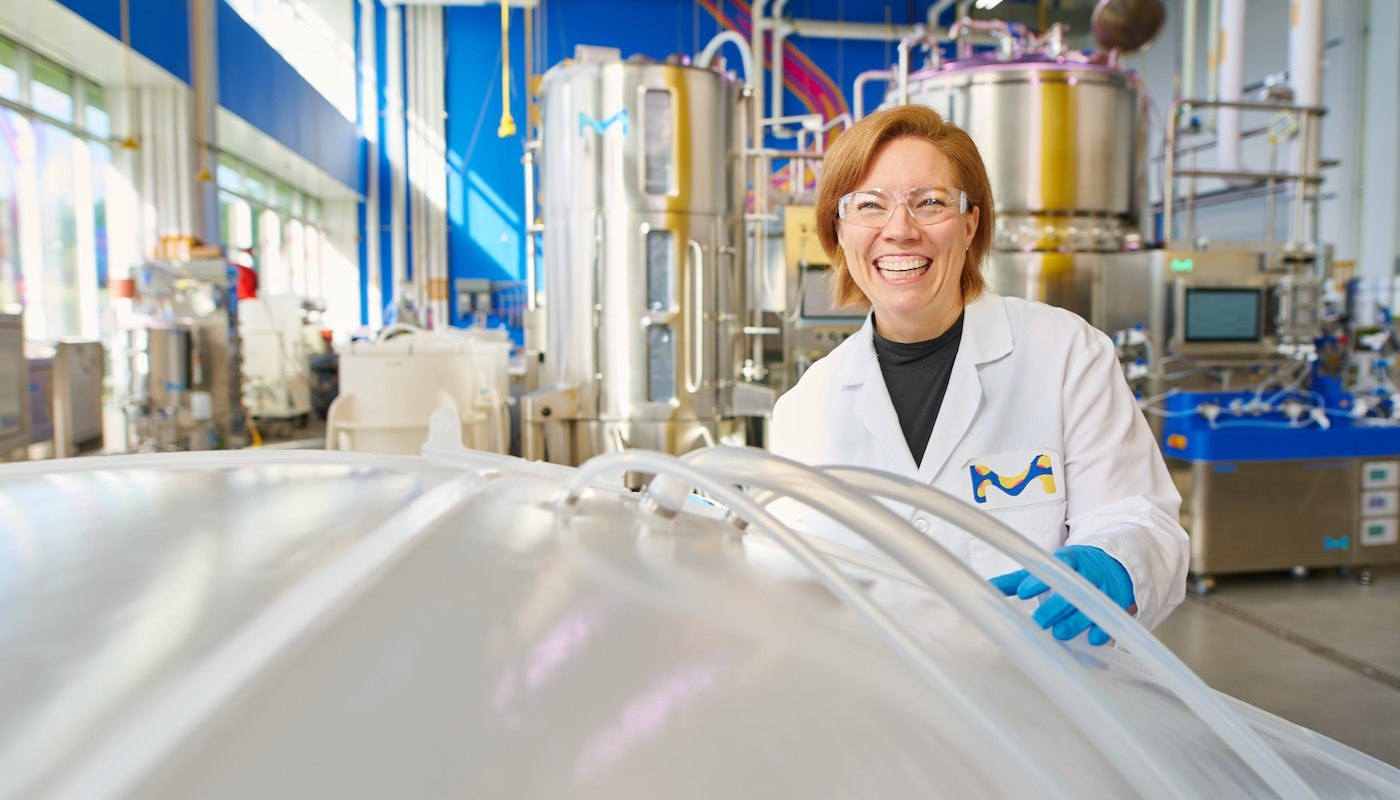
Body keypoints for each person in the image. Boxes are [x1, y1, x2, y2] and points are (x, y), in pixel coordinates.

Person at [768, 105, 1187, 645]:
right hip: (873, 711)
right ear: (839, 232)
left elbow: (1139, 518)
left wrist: (1118, 561)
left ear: (970, 225)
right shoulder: (806, 407)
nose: (900, 230)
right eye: (870, 206)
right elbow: (782, 578)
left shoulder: (1065, 354)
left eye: (930, 203)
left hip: (1041, 703)